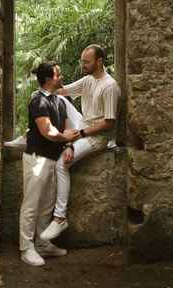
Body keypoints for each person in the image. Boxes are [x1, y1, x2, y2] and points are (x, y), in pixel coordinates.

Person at [39, 44, 121, 241]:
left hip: (97, 136)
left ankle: (59, 218)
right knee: (55, 99)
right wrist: (54, 81)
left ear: (99, 61)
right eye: (82, 61)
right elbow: (61, 93)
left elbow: (109, 123)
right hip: (82, 124)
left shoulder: (109, 86)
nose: (82, 64)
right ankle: (29, 137)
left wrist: (79, 135)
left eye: (86, 61)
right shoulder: (88, 80)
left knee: (61, 163)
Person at [19, 61, 80, 266]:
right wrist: (65, 137)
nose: (61, 77)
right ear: (47, 79)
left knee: (46, 206)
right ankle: (26, 248)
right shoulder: (38, 101)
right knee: (31, 205)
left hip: (53, 159)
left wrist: (70, 145)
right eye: (58, 74)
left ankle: (43, 244)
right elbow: (48, 132)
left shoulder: (60, 101)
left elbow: (68, 130)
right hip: (37, 159)